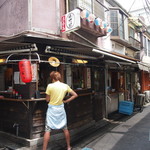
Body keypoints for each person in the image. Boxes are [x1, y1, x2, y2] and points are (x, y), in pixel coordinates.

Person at [42, 71, 78, 150]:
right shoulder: (65, 86)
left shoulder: (50, 86)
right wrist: (66, 101)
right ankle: (68, 147)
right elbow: (75, 95)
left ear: (52, 78)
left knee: (47, 130)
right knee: (65, 128)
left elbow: (47, 100)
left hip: (52, 110)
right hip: (60, 109)